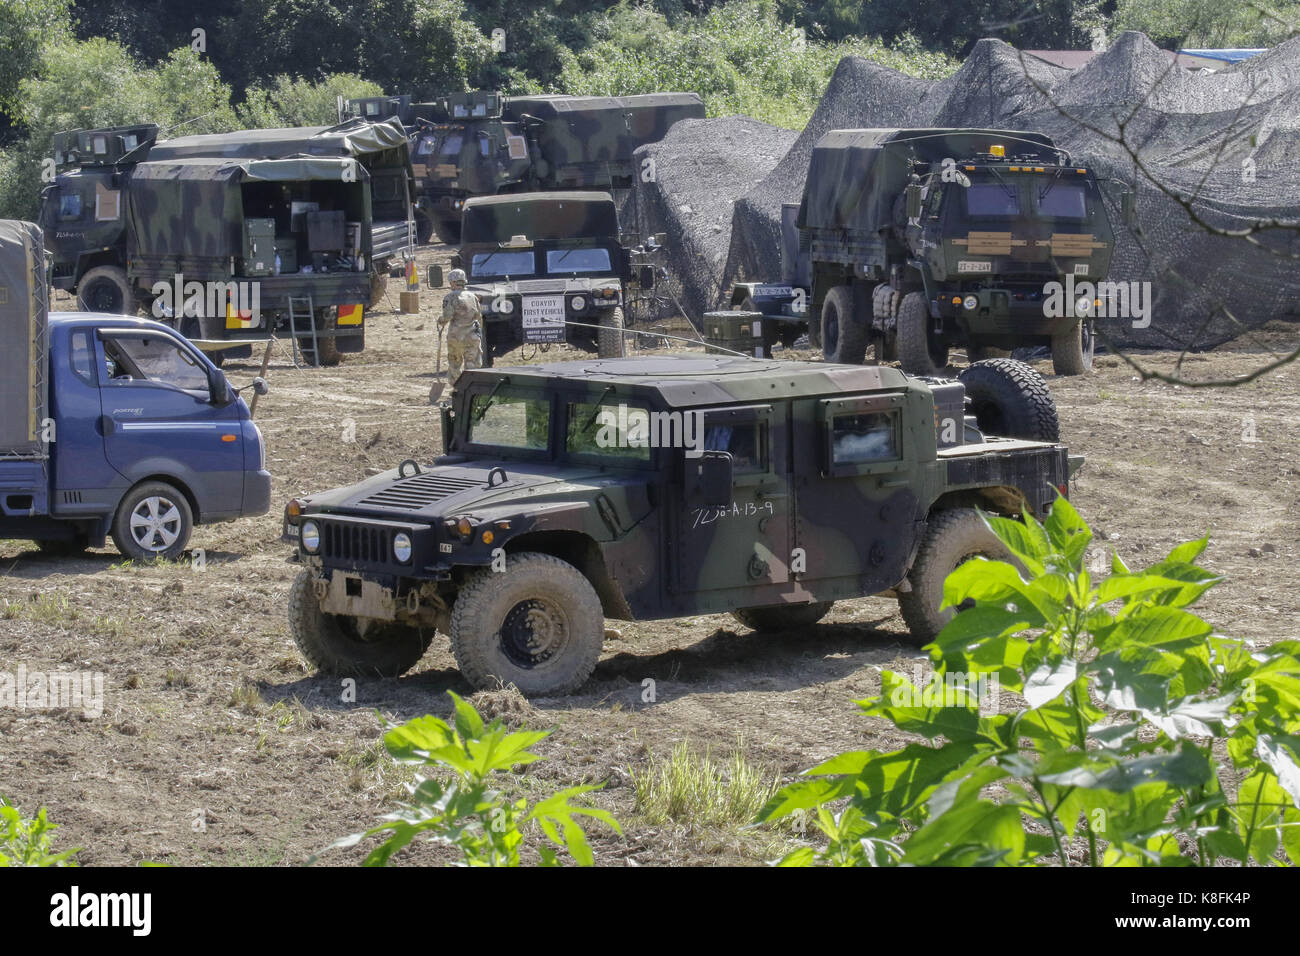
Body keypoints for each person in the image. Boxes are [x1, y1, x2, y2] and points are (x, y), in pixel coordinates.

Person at [437, 268, 482, 400]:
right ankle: (473, 392)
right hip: (472, 336)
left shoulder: (450, 297)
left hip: (456, 337)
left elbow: (447, 316)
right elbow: (479, 316)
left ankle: (457, 390)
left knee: (455, 363)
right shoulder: (473, 297)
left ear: (452, 282)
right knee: (472, 363)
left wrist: (440, 320)